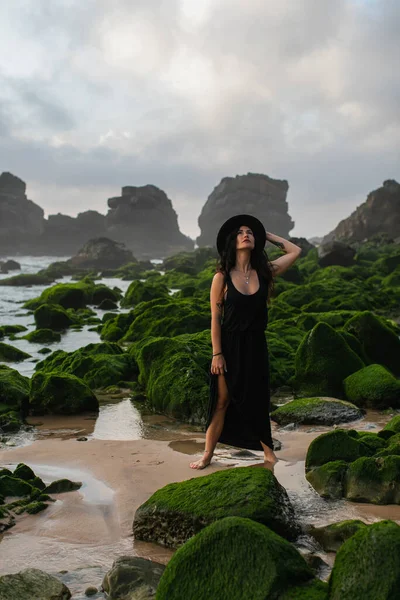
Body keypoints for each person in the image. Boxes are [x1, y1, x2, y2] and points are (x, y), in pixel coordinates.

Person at [190, 214, 302, 470]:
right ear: (232, 241)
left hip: (256, 345)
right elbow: (215, 319)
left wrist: (268, 236)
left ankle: (268, 453)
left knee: (259, 400)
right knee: (221, 401)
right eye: (241, 232)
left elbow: (296, 251)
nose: (246, 234)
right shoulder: (222, 278)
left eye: (250, 232)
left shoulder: (265, 272)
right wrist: (217, 354)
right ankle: (208, 454)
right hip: (229, 347)